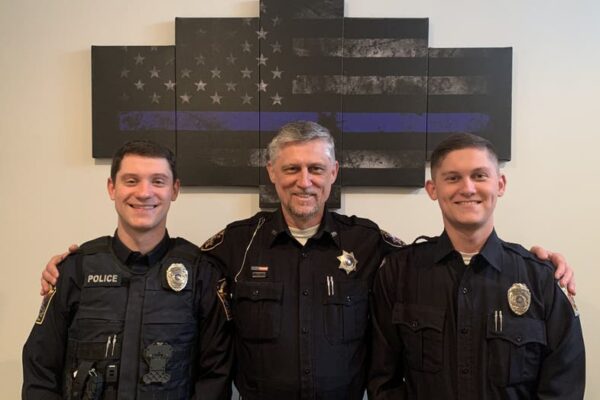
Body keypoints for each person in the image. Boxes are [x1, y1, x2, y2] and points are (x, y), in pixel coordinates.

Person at [39, 122, 575, 400]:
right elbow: (165, 268)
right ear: (272, 175)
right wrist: (77, 263)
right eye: (292, 169)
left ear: (333, 174)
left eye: (316, 169)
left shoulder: (373, 246)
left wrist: (538, 263)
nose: (305, 181)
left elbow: (444, 261)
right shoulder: (232, 246)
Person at [368, 133, 585, 399]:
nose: (468, 188)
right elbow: (383, 381)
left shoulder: (541, 279)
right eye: (453, 178)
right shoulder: (398, 274)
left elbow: (563, 388)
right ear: (433, 189)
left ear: (500, 184)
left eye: (479, 176)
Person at [23, 140, 232, 400]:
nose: (144, 193)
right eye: (131, 181)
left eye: (158, 181)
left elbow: (215, 377)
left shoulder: (202, 273)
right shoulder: (75, 270)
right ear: (112, 188)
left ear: (174, 190)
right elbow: (40, 371)